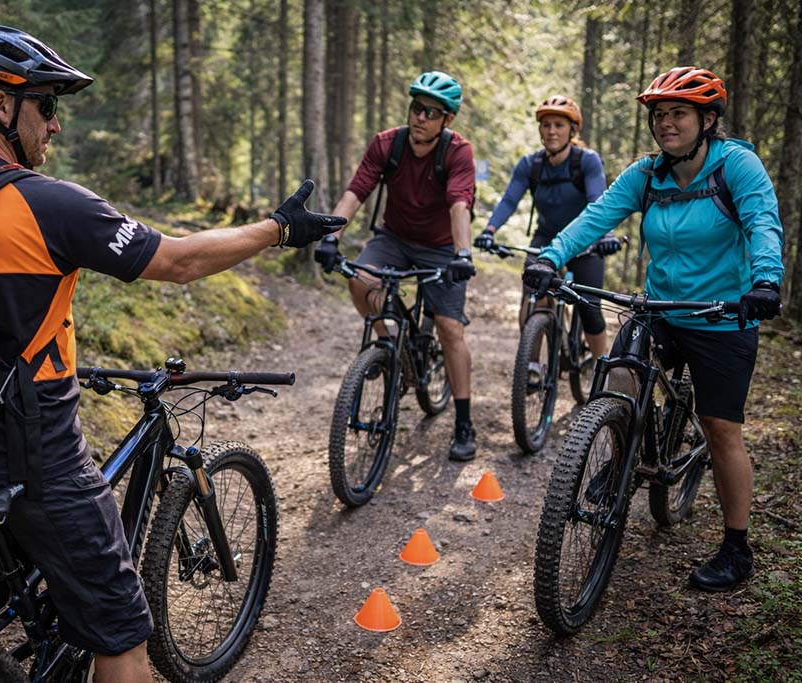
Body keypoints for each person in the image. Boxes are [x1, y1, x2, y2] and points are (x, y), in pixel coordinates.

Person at [0, 24, 345, 682]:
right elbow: (178, 260)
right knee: (122, 638)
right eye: (46, 106)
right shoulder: (44, 203)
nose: (53, 126)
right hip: (35, 462)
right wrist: (278, 228)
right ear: (1, 106)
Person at [523, 67, 783, 592]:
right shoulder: (646, 174)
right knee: (619, 378)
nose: (666, 123)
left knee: (720, 429)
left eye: (679, 113)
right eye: (659, 115)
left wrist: (766, 281)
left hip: (723, 314)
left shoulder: (737, 166)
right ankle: (619, 452)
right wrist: (551, 257)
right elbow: (596, 217)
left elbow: (762, 223)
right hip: (661, 307)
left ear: (707, 120)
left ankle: (737, 548)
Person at [315, 70, 479, 461]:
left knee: (449, 327)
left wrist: (463, 254)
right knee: (361, 280)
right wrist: (330, 237)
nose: (420, 116)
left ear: (447, 120)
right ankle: (389, 347)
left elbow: (460, 203)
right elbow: (357, 190)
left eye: (431, 112)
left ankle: (463, 422)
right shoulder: (388, 144)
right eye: (416, 108)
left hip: (441, 247)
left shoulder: (457, 151)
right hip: (395, 238)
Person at [475, 95, 618, 360]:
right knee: (532, 299)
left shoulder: (586, 161)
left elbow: (598, 201)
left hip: (585, 241)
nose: (551, 131)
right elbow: (509, 200)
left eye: (559, 125)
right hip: (545, 240)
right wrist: (490, 230)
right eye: (546, 125)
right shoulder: (531, 165)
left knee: (590, 310)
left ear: (572, 130)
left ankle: (603, 374)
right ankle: (530, 365)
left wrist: (606, 235)